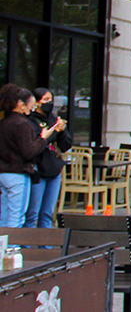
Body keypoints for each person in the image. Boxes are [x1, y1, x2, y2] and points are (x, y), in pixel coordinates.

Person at [0, 84, 61, 228]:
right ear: (21, 104)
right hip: (18, 172)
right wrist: (43, 138)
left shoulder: (3, 122)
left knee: (4, 215)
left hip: (3, 172)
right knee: (17, 216)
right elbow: (29, 151)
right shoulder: (22, 124)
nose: (31, 109)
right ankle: (12, 248)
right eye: (30, 106)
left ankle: (3, 247)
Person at [24, 88, 72, 229]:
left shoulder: (54, 119)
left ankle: (45, 247)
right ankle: (27, 245)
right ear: (36, 102)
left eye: (50, 100)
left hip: (54, 168)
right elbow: (37, 143)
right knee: (32, 213)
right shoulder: (30, 121)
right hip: (37, 168)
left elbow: (65, 145)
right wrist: (53, 132)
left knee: (47, 212)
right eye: (45, 100)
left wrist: (62, 131)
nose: (49, 103)